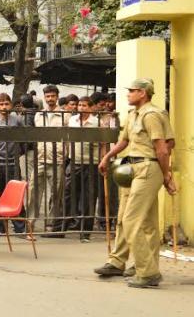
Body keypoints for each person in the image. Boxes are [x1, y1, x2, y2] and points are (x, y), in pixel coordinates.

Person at [95, 78, 176, 289]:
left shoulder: (152, 115)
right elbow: (124, 141)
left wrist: (166, 175)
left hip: (149, 167)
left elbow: (163, 148)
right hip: (133, 167)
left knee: (131, 219)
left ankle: (147, 271)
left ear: (143, 93)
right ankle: (130, 263)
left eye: (132, 90)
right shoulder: (132, 114)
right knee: (139, 220)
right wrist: (107, 157)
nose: (128, 94)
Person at [63, 96, 101, 242]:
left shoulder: (96, 122)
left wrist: (103, 160)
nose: (81, 108)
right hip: (74, 161)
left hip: (92, 163)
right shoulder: (73, 120)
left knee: (88, 198)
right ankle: (62, 227)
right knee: (68, 194)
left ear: (91, 108)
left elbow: (103, 143)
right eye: (79, 105)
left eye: (85, 105)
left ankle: (85, 232)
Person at [0, 93, 26, 234]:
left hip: (12, 163)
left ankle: (20, 227)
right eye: (1, 104)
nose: (4, 107)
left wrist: (18, 152)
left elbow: (24, 139)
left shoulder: (17, 120)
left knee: (15, 196)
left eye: (6, 104)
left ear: (11, 105)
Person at [31, 85, 67, 234]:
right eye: (48, 96)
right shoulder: (39, 115)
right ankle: (30, 222)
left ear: (57, 97)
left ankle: (52, 224)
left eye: (53, 96)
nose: (50, 99)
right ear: (44, 97)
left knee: (56, 194)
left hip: (57, 159)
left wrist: (65, 155)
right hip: (40, 158)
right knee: (33, 191)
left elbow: (68, 138)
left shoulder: (65, 115)